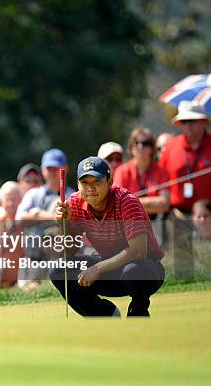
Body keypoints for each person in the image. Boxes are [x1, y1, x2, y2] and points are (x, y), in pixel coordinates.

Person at [53, 156, 165, 317]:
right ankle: (105, 314)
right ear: (78, 184)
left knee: (135, 270)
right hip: (109, 272)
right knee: (58, 269)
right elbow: (67, 252)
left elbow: (138, 251)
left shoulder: (127, 201)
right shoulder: (74, 202)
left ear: (109, 182)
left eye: (97, 181)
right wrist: (63, 223)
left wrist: (97, 268)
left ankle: (138, 313)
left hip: (146, 270)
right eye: (85, 182)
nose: (90, 188)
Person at [159, 101, 210, 279]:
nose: (189, 125)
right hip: (179, 214)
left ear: (204, 122)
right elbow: (161, 178)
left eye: (193, 120)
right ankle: (185, 284)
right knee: (184, 268)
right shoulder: (171, 147)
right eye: (185, 121)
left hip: (209, 213)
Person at [16, 148, 74, 289]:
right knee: (30, 292)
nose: (52, 172)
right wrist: (49, 216)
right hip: (34, 258)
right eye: (49, 168)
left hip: (63, 259)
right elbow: (19, 219)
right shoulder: (33, 194)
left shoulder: (73, 195)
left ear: (65, 168)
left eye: (56, 168)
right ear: (43, 170)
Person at [113, 127, 170, 218]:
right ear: (131, 147)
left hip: (156, 224)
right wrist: (152, 203)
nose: (140, 146)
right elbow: (118, 203)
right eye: (136, 143)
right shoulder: (122, 171)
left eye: (145, 143)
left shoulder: (161, 171)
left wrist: (131, 202)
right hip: (128, 224)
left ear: (152, 148)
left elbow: (164, 204)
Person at [0, 181, 24, 287]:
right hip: (1, 276)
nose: (11, 204)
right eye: (7, 200)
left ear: (21, 201)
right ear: (1, 202)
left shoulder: (25, 222)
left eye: (14, 199)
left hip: (22, 275)